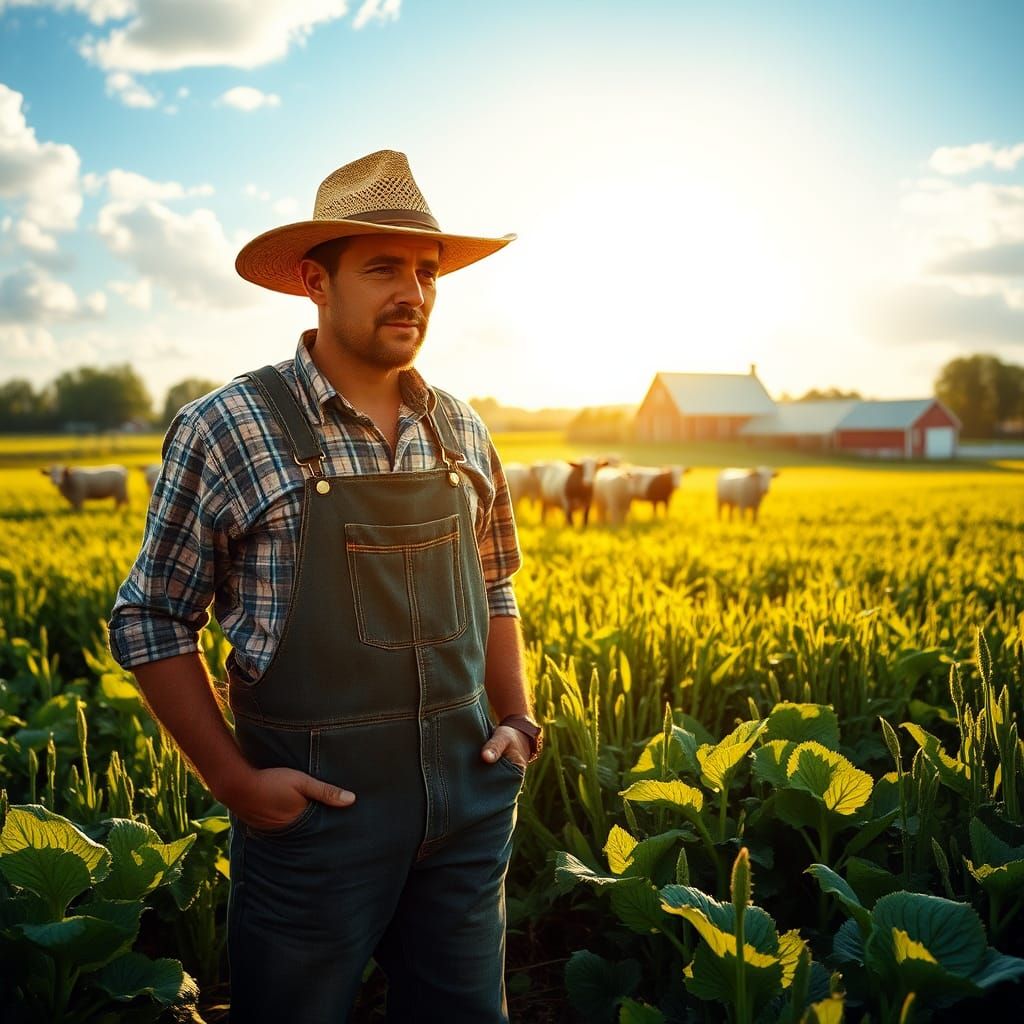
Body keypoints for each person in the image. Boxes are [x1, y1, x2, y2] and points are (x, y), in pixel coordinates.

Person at [108, 150, 542, 1023]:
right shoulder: (227, 426)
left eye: (426, 271)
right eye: (383, 268)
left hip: (467, 811)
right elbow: (151, 620)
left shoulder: (459, 426)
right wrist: (236, 784)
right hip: (313, 826)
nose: (412, 292)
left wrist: (519, 724)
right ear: (315, 280)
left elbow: (497, 588)